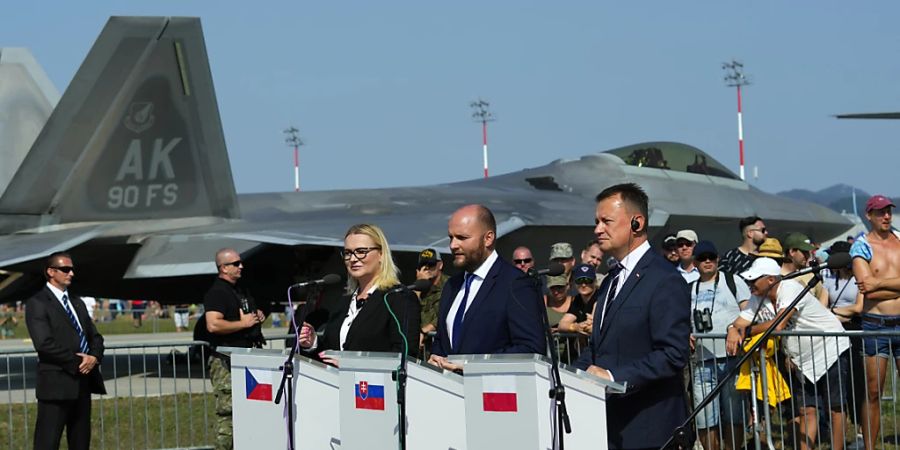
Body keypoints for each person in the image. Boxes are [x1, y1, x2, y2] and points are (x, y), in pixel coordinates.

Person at [574, 183, 691, 450]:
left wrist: (614, 376)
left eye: (606, 221)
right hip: (611, 429)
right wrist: (570, 376)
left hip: (650, 432)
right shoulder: (610, 281)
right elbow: (597, 347)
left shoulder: (665, 279)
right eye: (596, 221)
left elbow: (673, 353)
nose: (597, 229)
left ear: (636, 223)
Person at [727, 257, 850, 450]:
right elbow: (739, 322)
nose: (749, 284)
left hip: (829, 348)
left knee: (835, 406)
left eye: (754, 280)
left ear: (770, 280)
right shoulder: (757, 297)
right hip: (803, 358)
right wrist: (732, 329)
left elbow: (779, 323)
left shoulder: (790, 288)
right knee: (806, 409)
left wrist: (748, 331)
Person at [428, 205, 545, 371]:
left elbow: (530, 349)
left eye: (462, 237)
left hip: (494, 392)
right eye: (451, 237)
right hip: (450, 392)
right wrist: (436, 360)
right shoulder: (451, 286)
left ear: (488, 238)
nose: (453, 245)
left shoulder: (516, 283)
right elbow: (442, 341)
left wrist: (472, 366)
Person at [298, 224, 421, 364]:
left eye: (361, 251)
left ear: (381, 254)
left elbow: (404, 357)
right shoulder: (344, 302)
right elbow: (331, 353)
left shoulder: (400, 297)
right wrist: (312, 343)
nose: (353, 259)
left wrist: (351, 365)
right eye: (348, 253)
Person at [25, 252, 106, 450]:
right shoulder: (38, 303)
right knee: (47, 443)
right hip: (56, 386)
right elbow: (44, 344)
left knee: (80, 443)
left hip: (82, 385)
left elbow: (95, 337)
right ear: (51, 272)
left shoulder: (76, 302)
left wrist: (94, 357)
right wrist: (79, 361)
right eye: (65, 269)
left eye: (72, 269)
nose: (71, 273)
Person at [688, 240, 750, 450]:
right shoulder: (689, 289)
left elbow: (749, 312)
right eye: (702, 258)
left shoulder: (733, 280)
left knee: (734, 414)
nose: (707, 261)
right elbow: (680, 320)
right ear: (694, 262)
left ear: (718, 259)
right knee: (705, 417)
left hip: (732, 357)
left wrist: (735, 328)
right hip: (703, 360)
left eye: (711, 257)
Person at [850, 194, 900, 450]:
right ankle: (870, 446)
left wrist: (879, 282)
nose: (887, 216)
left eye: (889, 211)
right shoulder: (861, 246)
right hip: (875, 324)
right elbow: (868, 291)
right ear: (869, 216)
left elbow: (873, 285)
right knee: (873, 392)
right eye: (880, 212)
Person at [203, 248, 266, 450]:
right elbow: (213, 324)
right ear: (223, 268)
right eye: (236, 264)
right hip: (225, 363)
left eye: (240, 262)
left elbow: (243, 316)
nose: (241, 266)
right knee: (228, 416)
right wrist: (244, 324)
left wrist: (256, 317)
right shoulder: (217, 293)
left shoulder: (239, 290)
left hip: (244, 358)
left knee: (248, 412)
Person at [415, 248, 448, 348]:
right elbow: (409, 313)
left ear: (440, 265)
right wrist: (418, 286)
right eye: (423, 265)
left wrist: (425, 330)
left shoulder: (451, 285)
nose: (427, 268)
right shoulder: (417, 289)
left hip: (442, 347)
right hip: (423, 349)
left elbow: (448, 314)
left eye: (431, 264)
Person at [782, 232, 829, 304]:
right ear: (792, 252)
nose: (808, 256)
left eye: (808, 252)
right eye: (804, 252)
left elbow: (822, 302)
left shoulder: (812, 278)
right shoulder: (775, 277)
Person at [558, 263, 598, 336]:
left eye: (588, 280)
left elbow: (591, 327)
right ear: (574, 283)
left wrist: (584, 326)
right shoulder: (578, 299)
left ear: (595, 281)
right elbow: (562, 325)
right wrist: (575, 327)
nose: (583, 285)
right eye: (579, 280)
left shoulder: (600, 297)